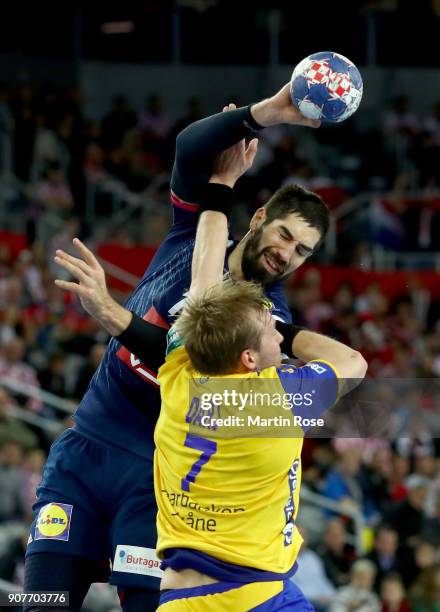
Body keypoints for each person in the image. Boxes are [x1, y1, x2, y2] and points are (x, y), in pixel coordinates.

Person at [24, 85, 327, 611]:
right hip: (87, 447)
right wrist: (266, 115)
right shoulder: (194, 231)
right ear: (257, 219)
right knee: (42, 603)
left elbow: (192, 356)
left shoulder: (266, 319)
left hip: (158, 481)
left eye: (303, 251)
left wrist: (114, 314)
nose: (286, 255)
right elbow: (190, 149)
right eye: (284, 235)